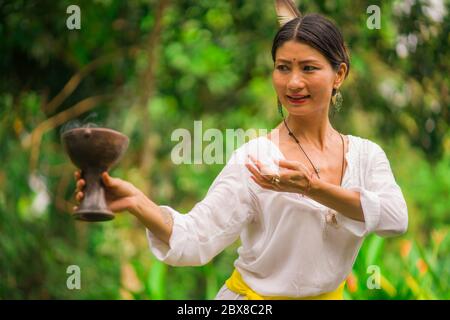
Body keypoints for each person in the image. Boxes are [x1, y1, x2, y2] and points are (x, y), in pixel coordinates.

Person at [73, 5, 408, 300]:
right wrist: (136, 202)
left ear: (339, 74)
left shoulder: (365, 156)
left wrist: (311, 188)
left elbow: (395, 219)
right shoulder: (257, 158)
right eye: (282, 67)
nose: (293, 82)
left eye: (308, 68)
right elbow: (195, 239)